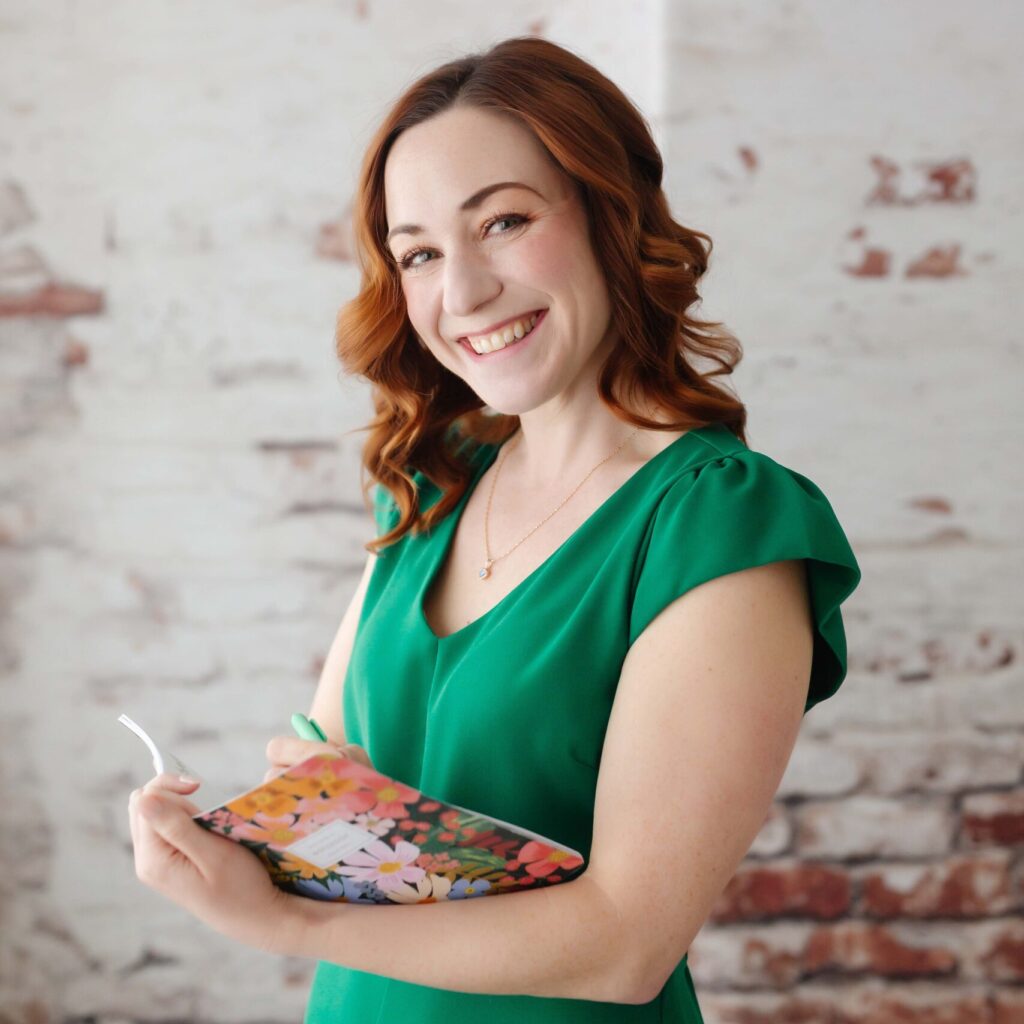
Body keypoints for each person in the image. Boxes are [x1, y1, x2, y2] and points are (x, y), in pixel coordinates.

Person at [127, 35, 862, 1023]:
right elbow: (327, 772)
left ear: (611, 214)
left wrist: (285, 921)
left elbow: (627, 945)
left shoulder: (718, 522)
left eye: (504, 222)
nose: (462, 292)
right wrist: (243, 833)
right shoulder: (427, 484)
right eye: (420, 253)